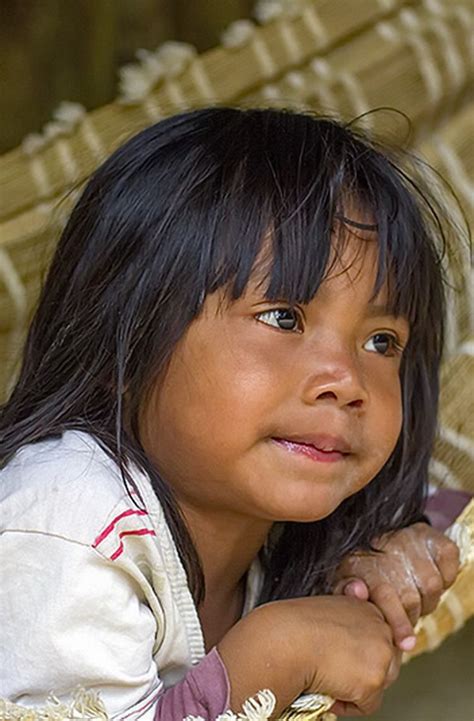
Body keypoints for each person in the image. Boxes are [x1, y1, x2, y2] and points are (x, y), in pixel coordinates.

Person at [0, 107, 461, 720]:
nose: (348, 382)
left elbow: (455, 510)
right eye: (282, 317)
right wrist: (279, 654)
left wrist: (406, 548)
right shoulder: (64, 512)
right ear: (127, 342)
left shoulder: (285, 523)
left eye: (381, 342)